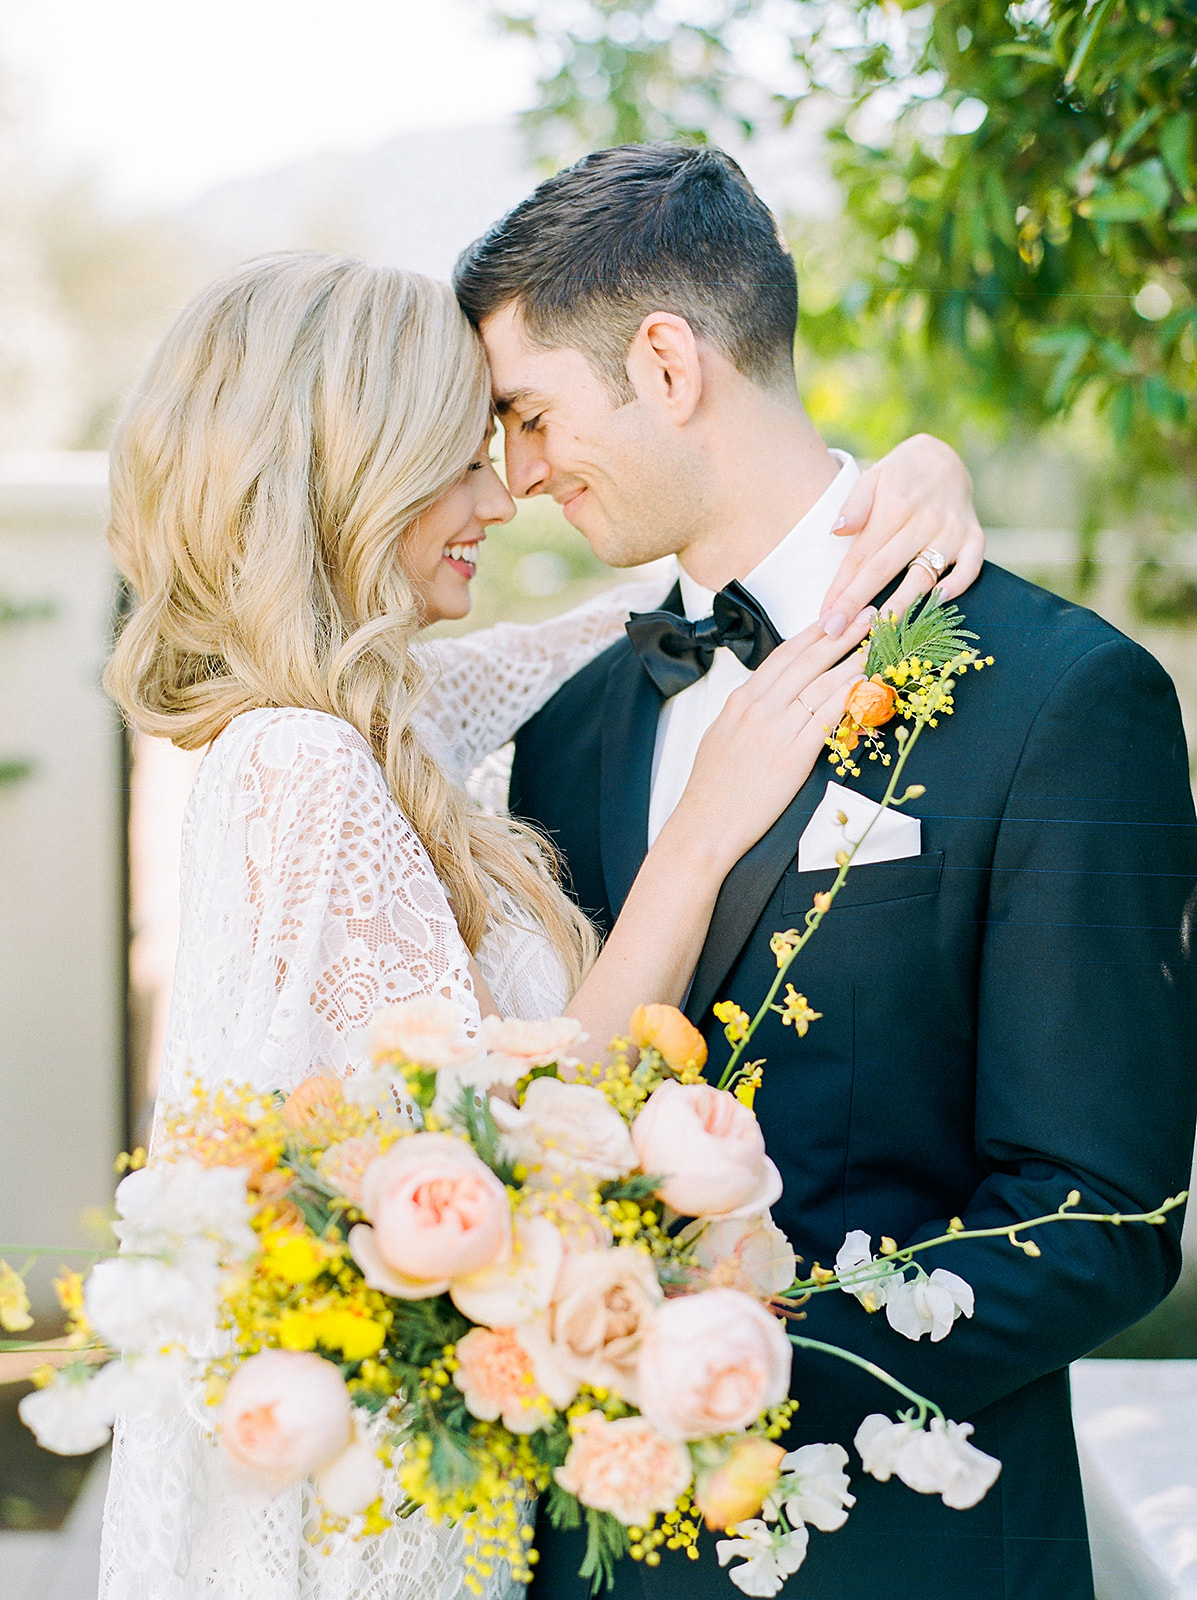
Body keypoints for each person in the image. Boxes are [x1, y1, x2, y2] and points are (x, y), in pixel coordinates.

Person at [97, 251, 985, 1600]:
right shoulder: (302, 763)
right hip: (382, 1528)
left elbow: (665, 621)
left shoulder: (369, 721)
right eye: (458, 462)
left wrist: (895, 481)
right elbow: (510, 1164)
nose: (500, 498)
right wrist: (699, 837)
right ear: (349, 477)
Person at [452, 143, 1197, 1600]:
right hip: (590, 1557)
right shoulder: (568, 716)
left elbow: (1099, 1211)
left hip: (913, 1548)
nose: (521, 476)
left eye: (529, 416)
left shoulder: (1061, 695)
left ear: (666, 362)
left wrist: (733, 1362)